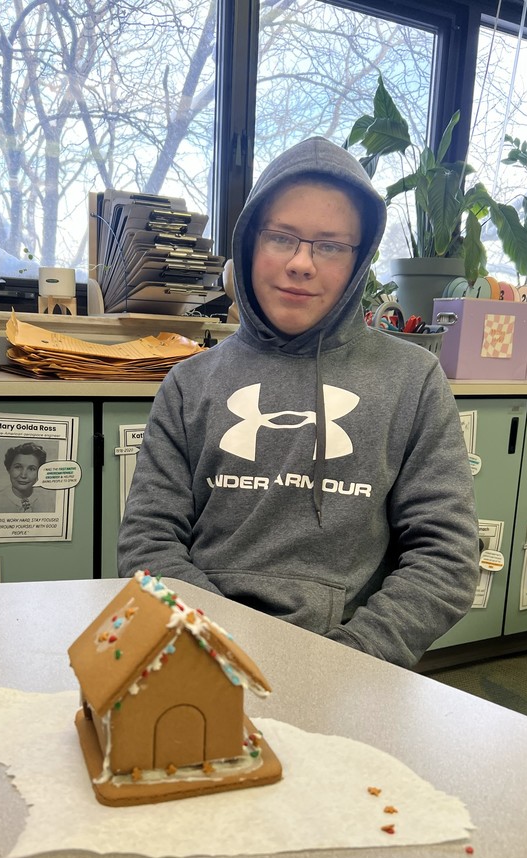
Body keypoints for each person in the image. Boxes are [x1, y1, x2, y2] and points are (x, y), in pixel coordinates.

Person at [117, 137, 479, 668]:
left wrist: (352, 658)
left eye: (330, 245)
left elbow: (446, 557)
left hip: (352, 662)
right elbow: (148, 544)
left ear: (360, 259)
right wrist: (217, 651)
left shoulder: (413, 380)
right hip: (202, 654)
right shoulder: (188, 383)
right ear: (248, 244)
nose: (302, 263)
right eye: (282, 237)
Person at [0, 441, 56, 513]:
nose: (23, 475)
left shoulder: (48, 503)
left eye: (31, 469)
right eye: (18, 467)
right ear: (9, 469)